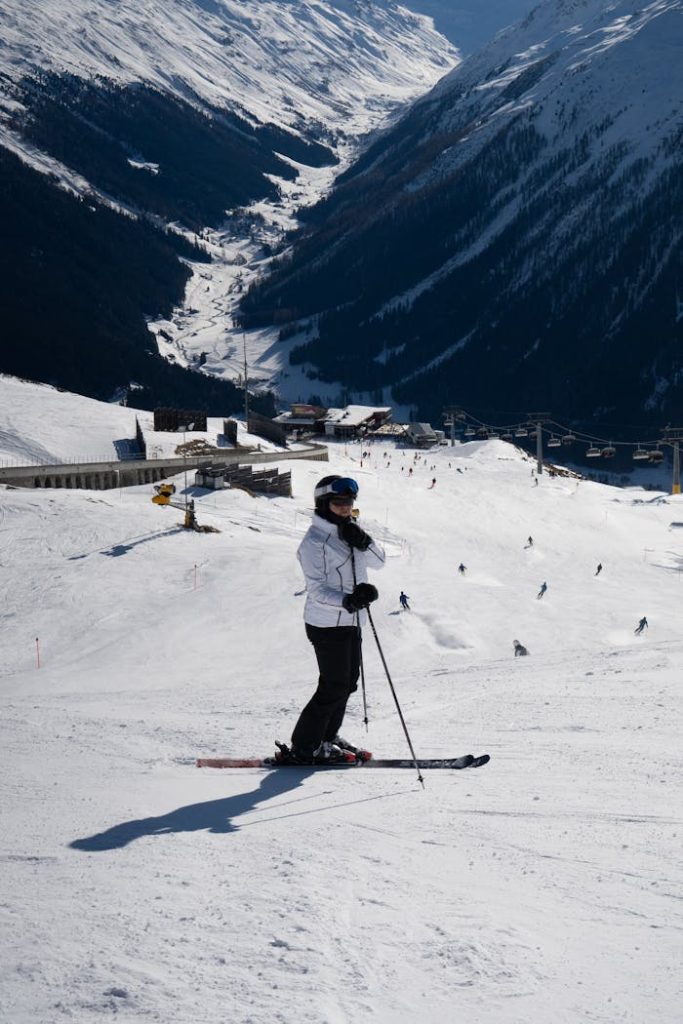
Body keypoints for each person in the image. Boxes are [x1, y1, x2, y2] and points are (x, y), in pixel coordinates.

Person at [285, 475, 386, 764]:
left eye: (349, 502)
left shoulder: (350, 532)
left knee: (348, 683)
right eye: (339, 502)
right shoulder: (314, 542)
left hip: (352, 622)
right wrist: (348, 600)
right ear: (324, 503)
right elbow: (316, 590)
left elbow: (379, 563)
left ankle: (326, 737)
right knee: (333, 685)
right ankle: (305, 745)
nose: (345, 507)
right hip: (326, 623)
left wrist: (365, 542)